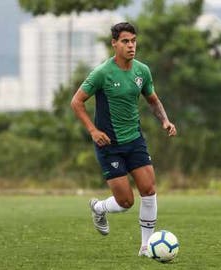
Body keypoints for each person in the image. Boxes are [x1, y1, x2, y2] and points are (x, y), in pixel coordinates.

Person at [70, 22, 177, 257]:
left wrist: (165, 121)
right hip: (109, 145)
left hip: (135, 139)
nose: (131, 46)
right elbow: (76, 102)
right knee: (126, 201)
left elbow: (152, 100)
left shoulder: (142, 71)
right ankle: (99, 208)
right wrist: (93, 131)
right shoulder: (102, 73)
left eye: (134, 41)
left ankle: (146, 247)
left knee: (149, 190)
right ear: (114, 44)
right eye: (125, 41)